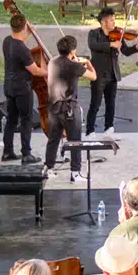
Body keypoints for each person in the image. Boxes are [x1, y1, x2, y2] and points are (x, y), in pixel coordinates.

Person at [85, 8, 138, 137]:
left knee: (111, 103)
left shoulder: (117, 35)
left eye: (113, 19)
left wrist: (137, 45)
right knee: (96, 103)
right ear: (104, 22)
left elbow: (126, 51)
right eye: (111, 20)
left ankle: (109, 128)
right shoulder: (94, 34)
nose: (114, 22)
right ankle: (90, 131)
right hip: (98, 74)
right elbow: (93, 45)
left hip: (112, 73)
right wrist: (111, 45)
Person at [44, 35, 95, 179]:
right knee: (75, 141)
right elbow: (93, 76)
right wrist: (87, 62)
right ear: (73, 51)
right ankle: (75, 172)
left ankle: (49, 168)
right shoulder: (75, 66)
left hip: (54, 107)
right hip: (69, 108)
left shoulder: (52, 62)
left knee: (53, 139)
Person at [0, 14, 45, 163]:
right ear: (24, 27)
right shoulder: (23, 50)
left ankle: (7, 152)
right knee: (26, 120)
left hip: (9, 87)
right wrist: (49, 71)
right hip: (22, 89)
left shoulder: (7, 41)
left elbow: (21, 41)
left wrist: (29, 32)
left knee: (11, 119)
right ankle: (26, 154)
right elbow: (35, 71)